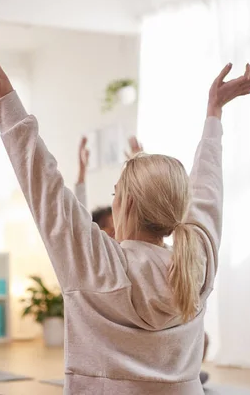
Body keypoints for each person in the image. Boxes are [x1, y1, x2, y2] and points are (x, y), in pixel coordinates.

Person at [0, 13, 250, 394]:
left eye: (115, 193)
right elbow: (210, 189)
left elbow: (41, 179)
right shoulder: (197, 264)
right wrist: (214, 115)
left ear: (125, 203)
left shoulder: (99, 264)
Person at [76, 134, 211, 384]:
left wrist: (140, 166)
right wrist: (82, 175)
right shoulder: (107, 256)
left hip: (158, 360)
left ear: (128, 207)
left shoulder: (179, 259)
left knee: (203, 338)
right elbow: (81, 223)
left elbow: (74, 227)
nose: (114, 230)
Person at [74, 135, 143, 238]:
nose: (114, 231)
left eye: (116, 225)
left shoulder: (129, 247)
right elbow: (79, 215)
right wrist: (82, 169)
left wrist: (137, 166)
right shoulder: (92, 248)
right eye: (108, 227)